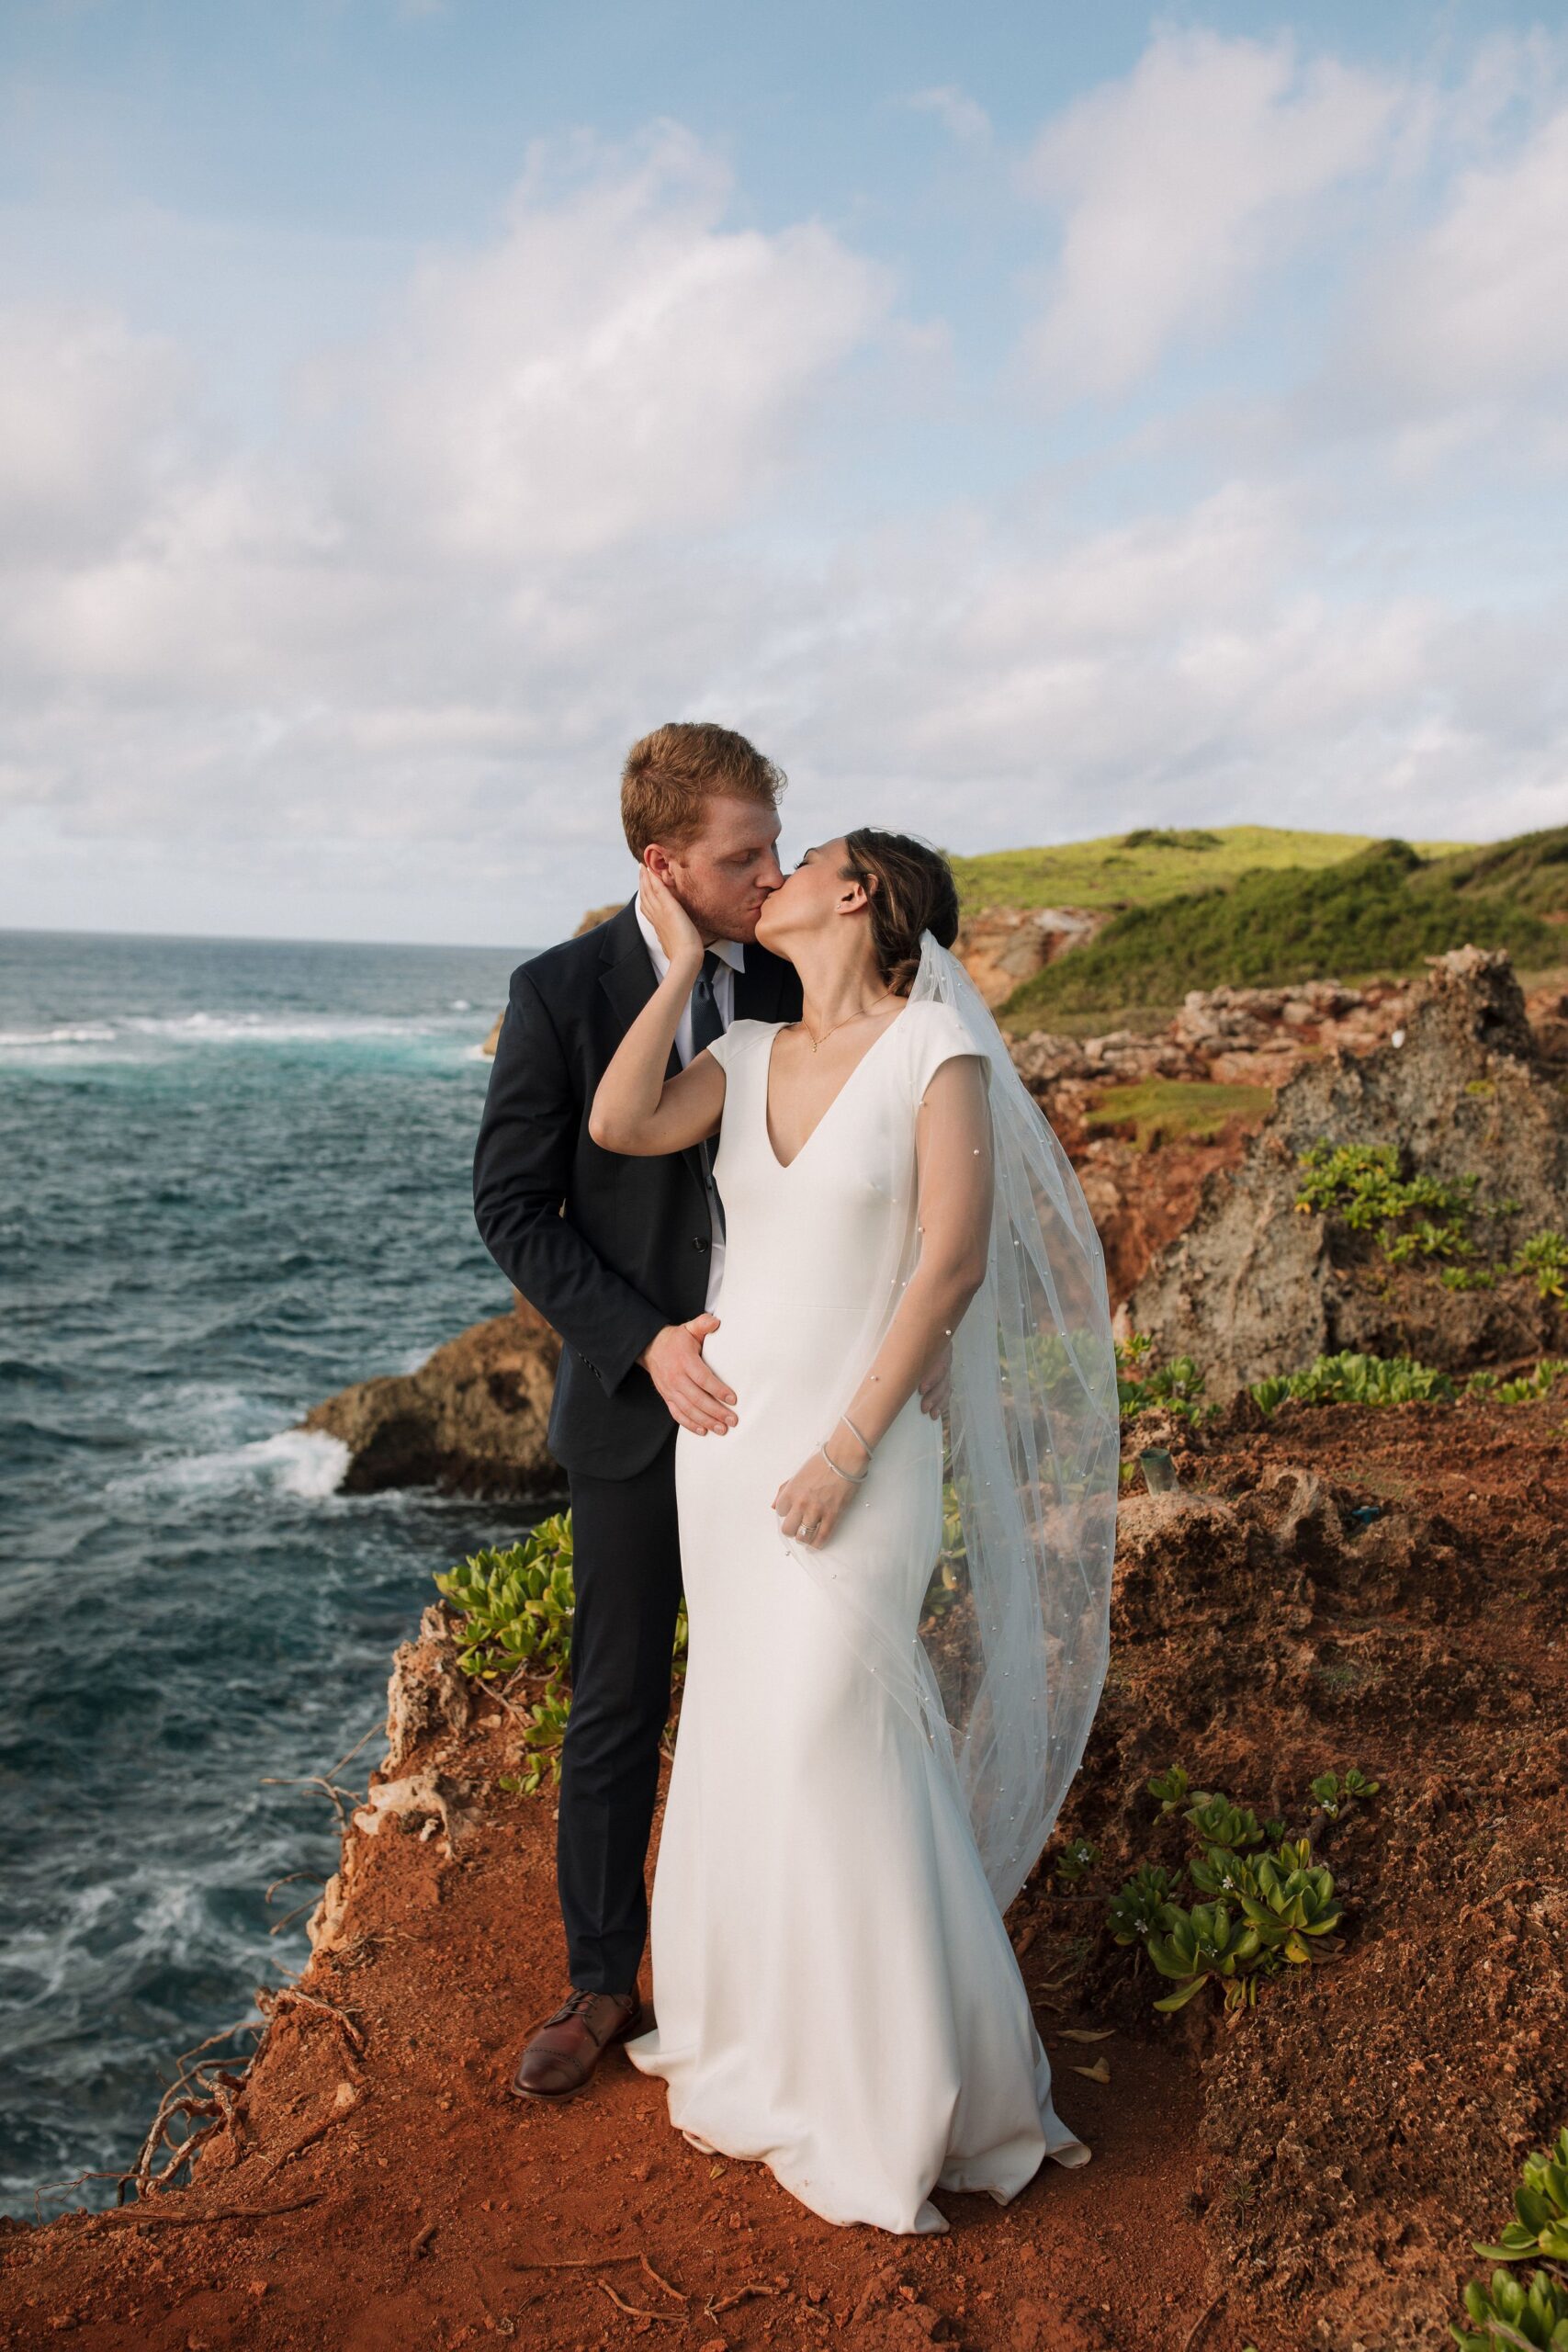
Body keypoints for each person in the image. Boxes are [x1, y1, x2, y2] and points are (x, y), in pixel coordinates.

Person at [587, 825, 1120, 2235]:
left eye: (793, 860)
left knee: (840, 1726)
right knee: (753, 1731)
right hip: (729, 1448)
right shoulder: (749, 1052)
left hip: (858, 1454)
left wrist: (845, 1446)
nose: (765, 879)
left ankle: (901, 2088)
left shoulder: (933, 1047)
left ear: (859, 894)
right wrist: (682, 964)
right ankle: (765, 2038)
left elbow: (948, 1262)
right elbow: (620, 1121)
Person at [473, 724, 952, 2101]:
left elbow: (902, 1173)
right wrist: (641, 1343)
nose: (761, 878)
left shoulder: (797, 979)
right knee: (618, 1696)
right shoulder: (561, 990)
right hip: (641, 1401)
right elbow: (515, 1204)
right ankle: (601, 1982)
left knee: (793, 1690)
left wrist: (893, 1347)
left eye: (773, 853)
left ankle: (799, 1976)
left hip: (798, 1404)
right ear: (662, 862)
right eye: (739, 858)